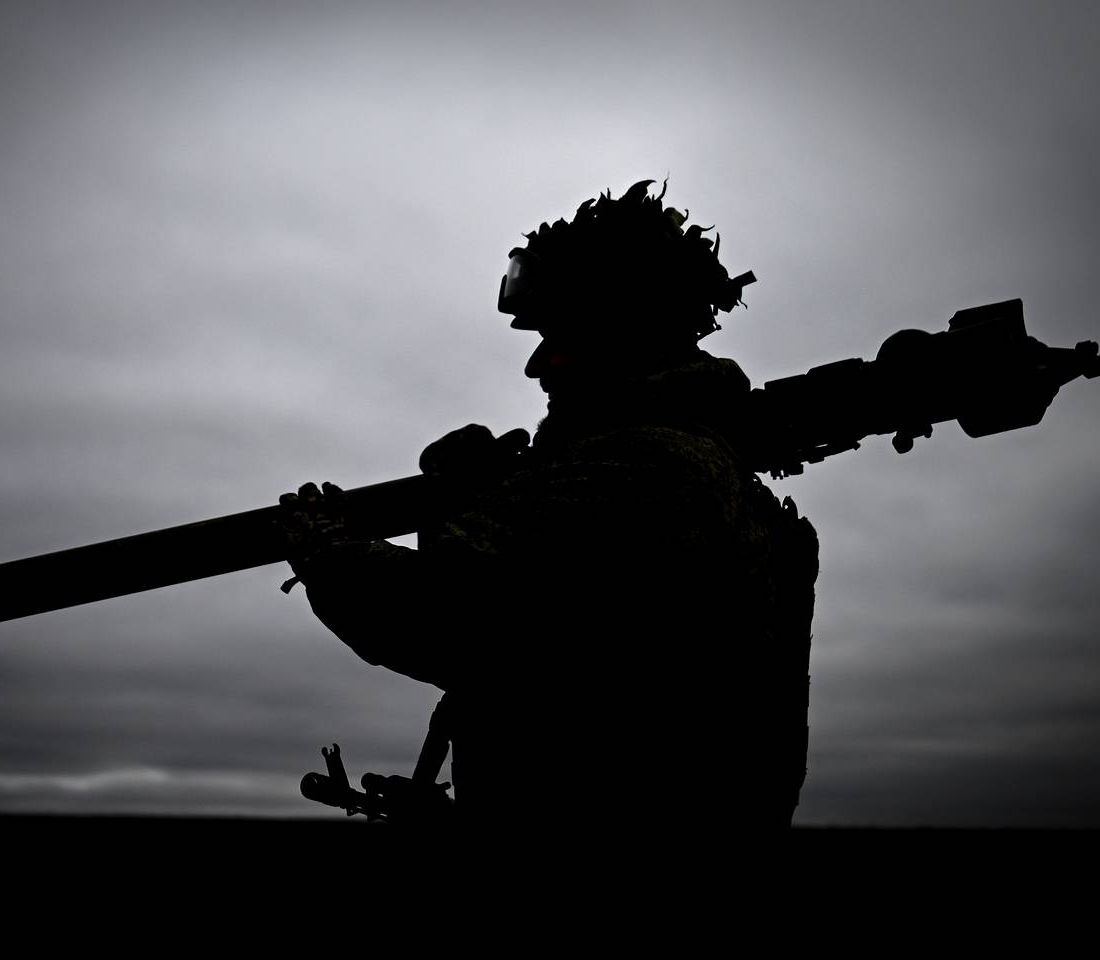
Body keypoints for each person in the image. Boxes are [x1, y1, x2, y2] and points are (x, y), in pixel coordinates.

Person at [279, 180, 819, 831]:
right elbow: (568, 661)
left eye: (560, 337)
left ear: (622, 331)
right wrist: (482, 500)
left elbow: (461, 620)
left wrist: (327, 553)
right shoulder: (665, 460)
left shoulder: (653, 465)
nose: (537, 365)